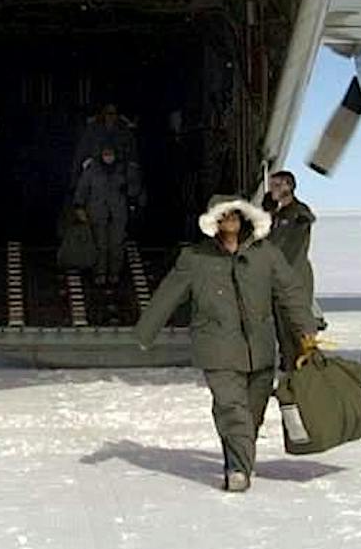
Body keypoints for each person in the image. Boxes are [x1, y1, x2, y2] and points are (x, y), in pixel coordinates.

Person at [134, 194, 316, 492]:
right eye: (223, 215)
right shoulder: (196, 259)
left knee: (251, 413)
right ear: (213, 222)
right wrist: (145, 334)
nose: (229, 220)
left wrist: (306, 331)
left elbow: (290, 292)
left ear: (244, 218)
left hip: (259, 348)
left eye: (235, 214)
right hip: (216, 347)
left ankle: (239, 456)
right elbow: (169, 292)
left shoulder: (265, 254)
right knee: (231, 408)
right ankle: (238, 471)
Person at [264, 170, 324, 329]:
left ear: (289, 186)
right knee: (283, 329)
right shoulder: (276, 215)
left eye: (277, 185)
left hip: (294, 276)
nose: (272, 190)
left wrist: (298, 218)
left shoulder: (297, 213)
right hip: (278, 278)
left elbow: (305, 218)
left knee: (297, 329)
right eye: (271, 186)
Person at [72, 142, 133, 288]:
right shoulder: (92, 170)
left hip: (118, 212)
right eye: (105, 154)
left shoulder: (125, 169)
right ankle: (100, 273)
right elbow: (82, 188)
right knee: (100, 244)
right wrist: (79, 206)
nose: (108, 157)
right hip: (97, 211)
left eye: (110, 154)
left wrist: (131, 196)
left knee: (117, 244)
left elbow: (135, 187)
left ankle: (114, 273)